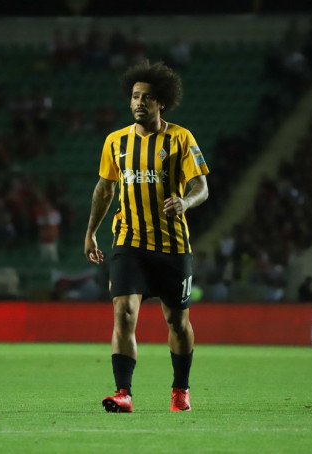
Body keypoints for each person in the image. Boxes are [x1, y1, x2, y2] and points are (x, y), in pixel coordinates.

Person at [84, 60, 209, 413]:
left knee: (178, 322)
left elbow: (201, 187)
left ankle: (180, 390)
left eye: (147, 97)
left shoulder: (181, 138)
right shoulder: (116, 142)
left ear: (161, 103)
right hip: (129, 242)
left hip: (172, 245)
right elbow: (104, 189)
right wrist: (91, 232)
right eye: (135, 96)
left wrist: (185, 202)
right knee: (123, 313)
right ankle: (123, 392)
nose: (139, 102)